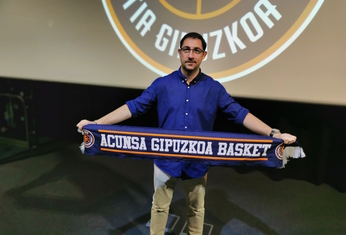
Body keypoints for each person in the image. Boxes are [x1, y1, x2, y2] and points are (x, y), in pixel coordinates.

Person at [77, 32, 297, 234]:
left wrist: (273, 133)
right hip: (165, 160)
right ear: (179, 52)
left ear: (204, 55)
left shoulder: (214, 88)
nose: (191, 55)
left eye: (196, 51)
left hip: (198, 162)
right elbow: (133, 107)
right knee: (160, 207)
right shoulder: (162, 84)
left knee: (196, 210)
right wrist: (96, 123)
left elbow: (240, 114)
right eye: (187, 49)